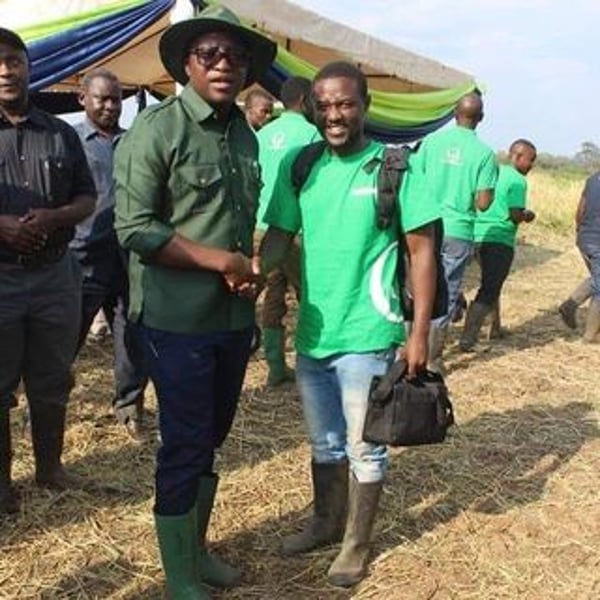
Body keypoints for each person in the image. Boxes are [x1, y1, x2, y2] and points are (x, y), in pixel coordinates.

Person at [114, 6, 276, 598]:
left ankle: (197, 552)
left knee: (211, 437)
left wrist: (246, 272)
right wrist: (220, 262)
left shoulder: (244, 135)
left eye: (235, 56)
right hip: (174, 320)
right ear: (187, 63)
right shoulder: (158, 129)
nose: (223, 64)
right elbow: (134, 228)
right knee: (184, 443)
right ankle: (179, 578)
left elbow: (235, 224)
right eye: (210, 53)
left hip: (229, 317)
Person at [260, 61, 438, 587]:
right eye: (325, 105)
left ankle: (356, 545)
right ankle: (325, 523)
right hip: (314, 335)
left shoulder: (393, 167)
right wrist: (251, 272)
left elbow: (422, 253)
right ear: (312, 109)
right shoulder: (301, 165)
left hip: (368, 333)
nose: (334, 115)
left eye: (345, 104)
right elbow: (279, 235)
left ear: (365, 106)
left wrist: (419, 334)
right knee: (325, 444)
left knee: (365, 446)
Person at [0, 28, 96, 515]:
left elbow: (87, 197)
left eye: (14, 60)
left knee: (53, 378)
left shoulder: (60, 133)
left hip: (56, 276)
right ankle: (2, 486)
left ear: (28, 66)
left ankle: (50, 468)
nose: (5, 70)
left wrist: (55, 217)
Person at [71, 68, 147, 437]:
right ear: (82, 98)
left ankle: (129, 407)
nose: (110, 106)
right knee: (66, 341)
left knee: (131, 338)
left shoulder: (134, 142)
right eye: (102, 98)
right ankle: (46, 410)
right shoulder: (70, 142)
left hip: (128, 259)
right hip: (82, 258)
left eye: (116, 99)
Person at [415, 92, 498, 372]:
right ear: (481, 118)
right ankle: (433, 359)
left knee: (416, 287)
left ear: (454, 114)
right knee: (447, 291)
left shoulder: (431, 142)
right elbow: (483, 203)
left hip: (424, 225)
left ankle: (411, 348)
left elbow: (415, 180)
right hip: (458, 230)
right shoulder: (485, 154)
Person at [255, 76, 320, 386]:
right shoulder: (312, 134)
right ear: (305, 100)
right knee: (309, 299)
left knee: (273, 298)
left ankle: (275, 367)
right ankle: (312, 365)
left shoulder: (262, 134)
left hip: (261, 228)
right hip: (296, 230)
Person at [459, 139, 537, 350]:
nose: (531, 165)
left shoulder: (491, 173)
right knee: (490, 288)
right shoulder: (518, 181)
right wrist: (528, 215)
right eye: (530, 160)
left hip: (475, 235)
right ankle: (468, 339)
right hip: (499, 240)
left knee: (492, 284)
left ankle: (495, 328)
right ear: (517, 156)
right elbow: (515, 214)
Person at [560, 171, 600, 341]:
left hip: (585, 238)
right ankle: (591, 335)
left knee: (597, 278)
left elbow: (580, 211)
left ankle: (570, 305)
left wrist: (581, 233)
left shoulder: (593, 179)